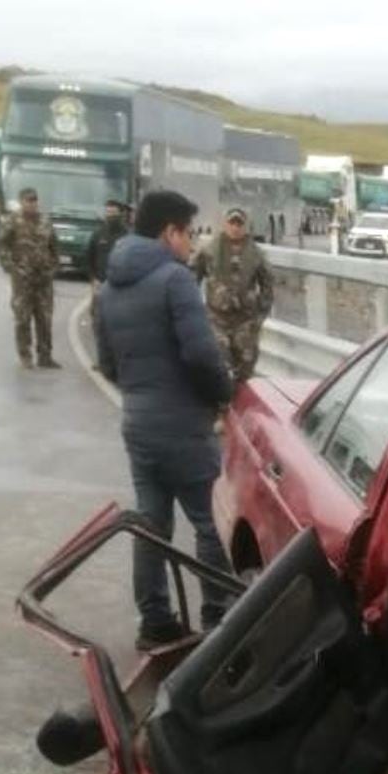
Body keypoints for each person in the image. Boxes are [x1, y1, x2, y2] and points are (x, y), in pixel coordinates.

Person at [95, 189, 237, 651]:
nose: (192, 244)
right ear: (168, 232)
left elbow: (107, 362)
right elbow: (200, 353)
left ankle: (155, 621)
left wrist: (141, 391)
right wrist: (223, 394)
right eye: (188, 233)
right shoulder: (174, 280)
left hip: (137, 421)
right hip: (183, 426)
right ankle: (218, 625)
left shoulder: (110, 284)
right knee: (211, 521)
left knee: (151, 524)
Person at [192, 207, 274, 385]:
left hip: (245, 321)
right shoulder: (209, 250)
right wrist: (194, 310)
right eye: (232, 223)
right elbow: (192, 277)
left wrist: (260, 316)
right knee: (221, 364)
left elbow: (267, 285)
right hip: (216, 318)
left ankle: (238, 402)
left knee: (245, 366)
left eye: (239, 223)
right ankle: (221, 404)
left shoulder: (256, 254)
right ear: (225, 224)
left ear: (245, 226)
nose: (235, 228)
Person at [0, 187, 60, 368]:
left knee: (45, 318)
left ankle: (45, 356)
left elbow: (54, 246)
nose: (32, 204)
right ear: (21, 202)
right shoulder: (12, 221)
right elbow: (1, 244)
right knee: (23, 318)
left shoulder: (45, 221)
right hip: (22, 280)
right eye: (28, 200)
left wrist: (54, 267)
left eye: (34, 200)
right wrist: (9, 266)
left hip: (43, 280)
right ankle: (25, 355)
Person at [86, 198, 130, 291]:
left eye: (113, 213)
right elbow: (90, 258)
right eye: (108, 212)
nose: (110, 215)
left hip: (120, 286)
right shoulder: (98, 233)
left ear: (121, 214)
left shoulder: (128, 235)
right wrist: (93, 279)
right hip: (100, 284)